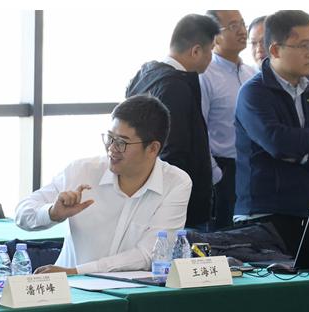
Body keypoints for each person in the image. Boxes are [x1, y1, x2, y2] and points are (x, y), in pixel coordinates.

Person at [16, 96, 192, 275]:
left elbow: (150, 254)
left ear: (153, 148)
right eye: (110, 138)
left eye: (121, 142)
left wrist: (77, 271)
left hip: (130, 289)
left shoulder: (176, 183)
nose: (111, 148)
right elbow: (22, 213)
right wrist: (52, 213)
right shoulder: (81, 171)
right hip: (70, 286)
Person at [234, 10, 309, 252]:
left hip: (308, 209)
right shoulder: (253, 92)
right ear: (275, 50)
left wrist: (305, 157)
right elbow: (277, 142)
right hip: (263, 213)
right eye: (303, 45)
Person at [125, 13, 219, 230]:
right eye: (211, 50)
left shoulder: (145, 75)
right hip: (177, 206)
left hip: (143, 193)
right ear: (196, 51)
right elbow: (173, 150)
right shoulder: (175, 86)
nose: (211, 58)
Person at [200, 10, 257, 230]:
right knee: (225, 236)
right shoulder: (205, 75)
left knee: (252, 234)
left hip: (254, 167)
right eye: (233, 26)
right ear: (214, 36)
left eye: (242, 24)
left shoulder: (252, 73)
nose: (243, 31)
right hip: (224, 170)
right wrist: (217, 174)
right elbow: (200, 129)